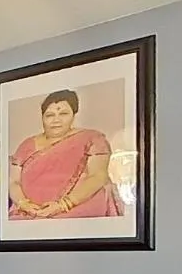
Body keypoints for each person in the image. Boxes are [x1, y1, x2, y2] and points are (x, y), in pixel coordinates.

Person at [8, 88, 123, 220]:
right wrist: (23, 204)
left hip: (76, 210)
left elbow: (98, 176)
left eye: (63, 114)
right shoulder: (26, 145)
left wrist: (63, 205)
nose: (56, 120)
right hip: (26, 212)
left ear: (73, 115)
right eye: (49, 115)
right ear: (42, 117)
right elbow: (13, 182)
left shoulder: (91, 138)